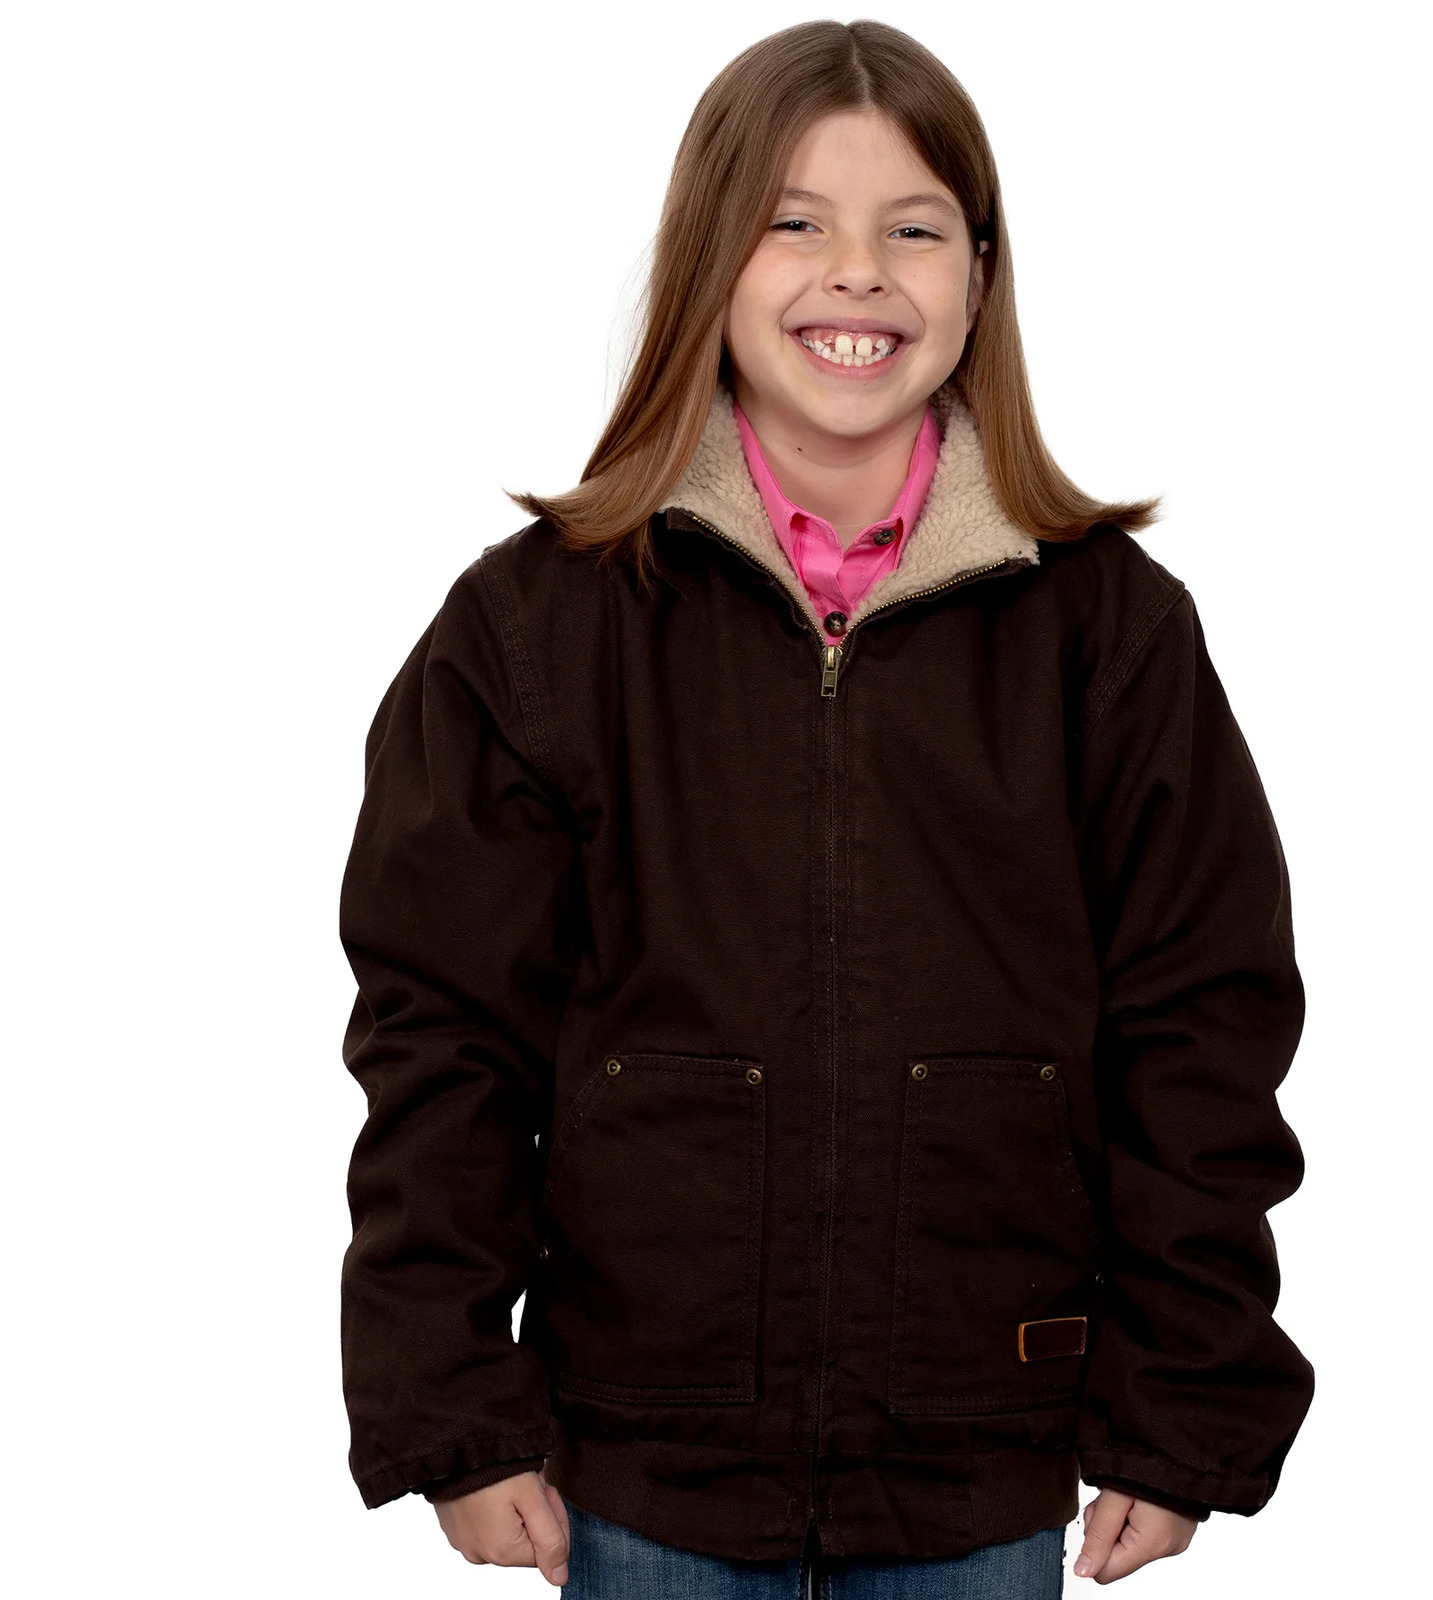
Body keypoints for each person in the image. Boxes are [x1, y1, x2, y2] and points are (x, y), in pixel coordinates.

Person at [337, 19, 1313, 1596]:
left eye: (913, 230)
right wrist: (452, 1408)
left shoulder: (1108, 634)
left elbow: (1203, 1028)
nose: (857, 275)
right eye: (794, 222)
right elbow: (442, 1036)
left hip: (982, 1457)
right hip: (641, 1456)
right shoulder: (538, 629)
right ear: (708, 264)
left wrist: (1181, 1410)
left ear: (979, 278)